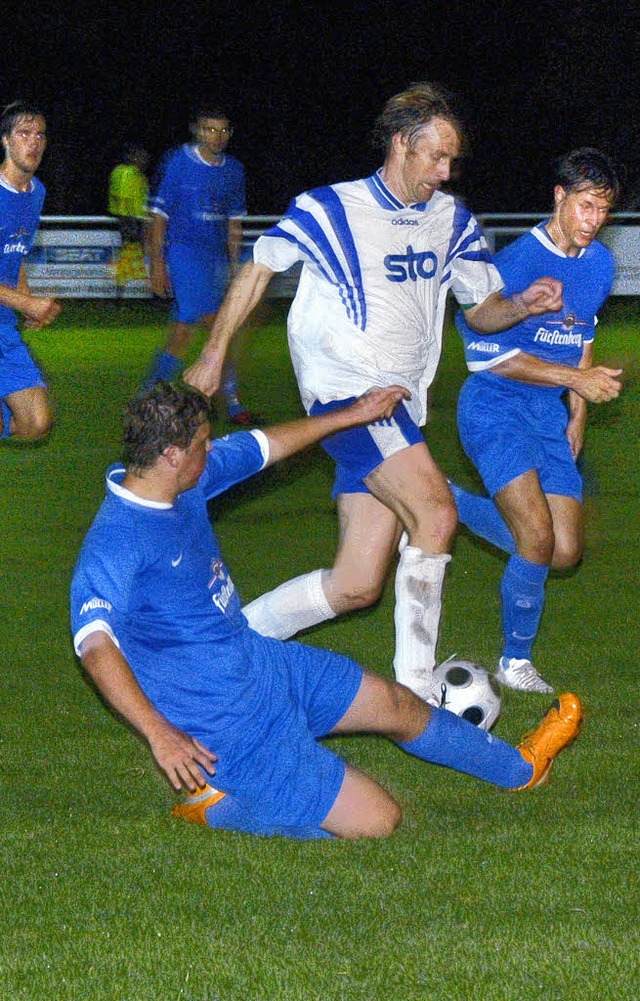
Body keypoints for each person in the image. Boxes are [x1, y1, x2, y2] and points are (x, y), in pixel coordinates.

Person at [184, 82, 564, 703]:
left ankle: (230, 642)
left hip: (399, 410)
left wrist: (523, 303)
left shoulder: (451, 221)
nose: (445, 172)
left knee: (358, 582)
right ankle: (415, 698)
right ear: (400, 145)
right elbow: (258, 270)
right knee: (436, 513)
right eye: (436, 157)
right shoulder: (330, 208)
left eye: (452, 160)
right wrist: (212, 352)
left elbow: (482, 309)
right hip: (350, 395)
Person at [70, 381, 583, 840]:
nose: (213, 449)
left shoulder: (184, 479)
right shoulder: (117, 541)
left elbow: (264, 447)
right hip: (222, 721)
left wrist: (353, 415)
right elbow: (95, 646)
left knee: (396, 704)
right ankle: (216, 805)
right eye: (204, 443)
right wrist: (161, 735)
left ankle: (523, 769)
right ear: (172, 454)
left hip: (262, 663)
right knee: (380, 822)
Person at [452, 148, 622, 693]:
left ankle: (446, 502)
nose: (594, 221)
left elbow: (582, 343)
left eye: (603, 210)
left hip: (548, 414)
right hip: (494, 406)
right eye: (586, 206)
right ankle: (514, 661)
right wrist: (575, 384)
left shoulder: (600, 264)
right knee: (535, 538)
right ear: (560, 196)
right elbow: (486, 356)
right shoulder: (519, 261)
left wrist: (577, 420)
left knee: (564, 550)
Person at [146, 107, 255, 424]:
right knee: (210, 326)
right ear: (197, 130)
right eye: (209, 129)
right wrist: (157, 264)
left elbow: (234, 224)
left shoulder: (234, 170)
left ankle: (151, 394)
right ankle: (230, 401)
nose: (216, 137)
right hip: (183, 254)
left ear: (230, 133)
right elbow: (158, 216)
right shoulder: (177, 162)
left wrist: (235, 268)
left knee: (193, 332)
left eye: (222, 130)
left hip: (215, 260)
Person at [0, 100, 61, 441]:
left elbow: (16, 254)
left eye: (40, 134)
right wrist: (28, 304)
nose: (34, 142)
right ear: (5, 140)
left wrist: (26, 300)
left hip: (3, 323)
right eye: (24, 133)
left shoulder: (36, 193)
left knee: (36, 424)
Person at [108, 144, 150, 295]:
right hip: (130, 220)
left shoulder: (129, 172)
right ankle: (121, 293)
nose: (145, 161)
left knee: (130, 256)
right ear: (133, 158)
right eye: (141, 157)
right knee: (128, 256)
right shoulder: (128, 173)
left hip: (131, 219)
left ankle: (125, 291)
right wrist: (131, 220)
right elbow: (124, 198)